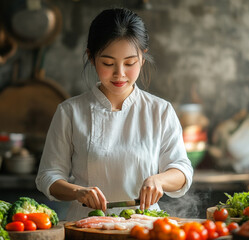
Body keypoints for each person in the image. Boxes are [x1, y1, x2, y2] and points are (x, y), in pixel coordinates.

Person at [36, 7, 193, 221]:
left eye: (130, 63)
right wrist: (77, 192)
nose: (120, 73)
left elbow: (182, 170)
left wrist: (159, 181)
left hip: (145, 226)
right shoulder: (70, 112)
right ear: (91, 58)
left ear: (143, 58)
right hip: (87, 225)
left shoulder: (160, 111)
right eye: (108, 63)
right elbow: (47, 176)